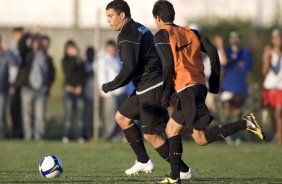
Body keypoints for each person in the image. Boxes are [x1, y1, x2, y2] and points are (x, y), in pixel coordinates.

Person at [152, 1, 265, 183]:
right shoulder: (191, 32)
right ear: (172, 15)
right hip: (198, 87)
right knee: (200, 138)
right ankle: (245, 123)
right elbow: (212, 51)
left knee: (171, 130)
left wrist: (164, 95)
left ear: (157, 18)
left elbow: (167, 66)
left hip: (186, 89)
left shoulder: (161, 35)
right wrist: (213, 83)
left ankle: (175, 178)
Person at [103, 0, 192, 179]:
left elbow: (129, 68)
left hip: (150, 87)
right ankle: (143, 161)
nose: (108, 20)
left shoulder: (126, 35)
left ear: (122, 14)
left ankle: (183, 170)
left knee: (151, 135)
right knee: (122, 118)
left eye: (111, 16)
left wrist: (110, 85)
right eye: (107, 17)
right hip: (145, 87)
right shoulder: (139, 27)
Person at [15, 32, 55, 140]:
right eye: (35, 42)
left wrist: (48, 86)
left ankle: (38, 137)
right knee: (27, 115)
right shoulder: (27, 55)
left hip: (40, 89)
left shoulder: (46, 57)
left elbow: (51, 74)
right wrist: (29, 33)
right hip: (27, 88)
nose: (37, 45)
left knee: (40, 116)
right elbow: (21, 46)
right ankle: (28, 136)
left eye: (39, 42)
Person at [219, 31, 253, 142]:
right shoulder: (227, 51)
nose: (235, 40)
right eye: (233, 38)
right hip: (227, 88)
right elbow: (224, 62)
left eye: (237, 38)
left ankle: (238, 136)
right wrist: (220, 46)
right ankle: (227, 136)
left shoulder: (245, 53)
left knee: (238, 114)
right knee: (227, 113)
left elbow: (248, 68)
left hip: (240, 89)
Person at [97, 40, 125, 140]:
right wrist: (105, 90)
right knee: (110, 115)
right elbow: (101, 76)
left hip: (120, 92)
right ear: (107, 48)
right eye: (111, 48)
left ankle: (116, 135)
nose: (113, 50)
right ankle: (108, 134)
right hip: (110, 93)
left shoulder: (117, 58)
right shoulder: (103, 60)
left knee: (119, 116)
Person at [61, 40, 86, 143]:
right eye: (71, 49)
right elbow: (69, 71)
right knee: (69, 113)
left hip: (78, 91)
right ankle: (66, 135)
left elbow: (82, 75)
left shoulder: (80, 61)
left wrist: (80, 87)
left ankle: (79, 135)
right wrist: (73, 58)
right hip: (68, 90)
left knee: (80, 114)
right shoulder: (65, 60)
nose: (73, 50)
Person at [262, 29, 282, 144]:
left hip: (280, 87)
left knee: (279, 113)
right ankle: (276, 135)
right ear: (273, 40)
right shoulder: (269, 53)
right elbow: (264, 72)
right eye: (276, 38)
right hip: (269, 87)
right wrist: (266, 59)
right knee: (271, 115)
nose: (278, 40)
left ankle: (280, 139)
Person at [9, 27, 24, 138]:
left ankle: (22, 131)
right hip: (13, 82)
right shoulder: (12, 47)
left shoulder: (24, 47)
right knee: (14, 108)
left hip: (22, 82)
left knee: (23, 109)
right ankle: (16, 131)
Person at [0, 33, 13, 138]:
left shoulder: (5, 55)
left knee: (1, 113)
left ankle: (2, 134)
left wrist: (8, 50)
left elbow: (15, 62)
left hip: (2, 89)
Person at [83, 46, 95, 140]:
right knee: (87, 115)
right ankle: (86, 133)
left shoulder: (96, 64)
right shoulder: (84, 64)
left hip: (96, 94)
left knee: (95, 115)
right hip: (87, 93)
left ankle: (94, 132)